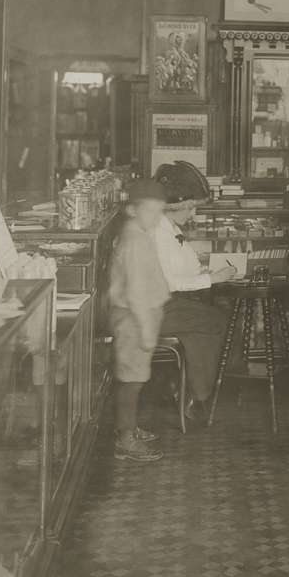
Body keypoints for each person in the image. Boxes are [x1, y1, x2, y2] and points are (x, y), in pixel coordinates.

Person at [152, 169, 237, 420]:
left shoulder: (167, 226)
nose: (193, 214)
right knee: (214, 321)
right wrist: (212, 278)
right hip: (155, 308)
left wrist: (203, 271)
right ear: (175, 205)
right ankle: (193, 395)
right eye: (190, 208)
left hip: (165, 303)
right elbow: (169, 282)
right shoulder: (159, 233)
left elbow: (182, 264)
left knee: (214, 317)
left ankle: (189, 389)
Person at [107, 179, 170, 462]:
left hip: (141, 317)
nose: (157, 218)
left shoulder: (139, 234)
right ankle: (125, 440)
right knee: (131, 380)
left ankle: (128, 428)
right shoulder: (134, 241)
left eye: (161, 211)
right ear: (132, 210)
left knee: (136, 377)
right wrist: (146, 329)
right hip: (134, 319)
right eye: (151, 211)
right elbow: (135, 292)